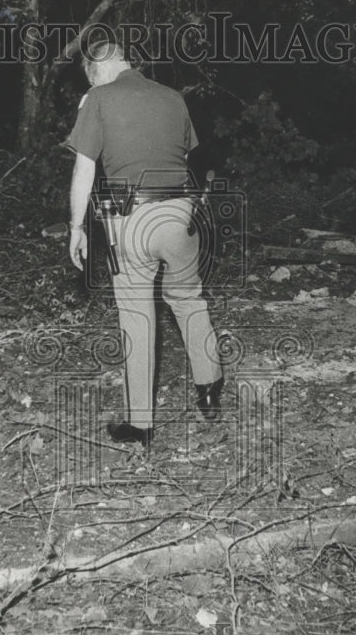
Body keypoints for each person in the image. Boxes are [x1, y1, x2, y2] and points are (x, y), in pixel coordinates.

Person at [65, 40, 224, 446]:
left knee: (137, 313)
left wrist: (76, 226)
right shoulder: (173, 98)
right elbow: (186, 159)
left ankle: (141, 423)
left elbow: (85, 170)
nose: (92, 81)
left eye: (90, 74)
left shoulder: (98, 98)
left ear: (100, 67)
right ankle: (209, 384)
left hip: (131, 217)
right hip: (179, 214)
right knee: (188, 298)